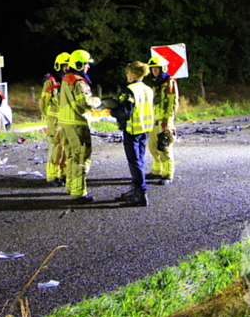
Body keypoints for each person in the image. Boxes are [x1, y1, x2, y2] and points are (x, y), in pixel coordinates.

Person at [58, 49, 102, 203]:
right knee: (81, 157)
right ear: (78, 64)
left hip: (66, 123)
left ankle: (70, 186)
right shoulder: (79, 81)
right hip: (77, 123)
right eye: (86, 64)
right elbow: (84, 103)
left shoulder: (66, 78)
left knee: (71, 156)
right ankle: (78, 193)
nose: (88, 67)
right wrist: (97, 101)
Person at [110, 61, 154, 207]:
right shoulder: (148, 89)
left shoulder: (128, 90)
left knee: (134, 161)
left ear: (133, 74)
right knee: (139, 160)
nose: (127, 76)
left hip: (132, 130)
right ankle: (135, 189)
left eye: (128, 73)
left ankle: (140, 193)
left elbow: (125, 112)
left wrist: (112, 110)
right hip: (145, 129)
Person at [144, 55, 179, 183]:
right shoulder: (150, 83)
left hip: (164, 121)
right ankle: (156, 171)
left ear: (162, 68)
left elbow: (173, 103)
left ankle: (167, 175)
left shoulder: (169, 82)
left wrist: (167, 120)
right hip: (152, 120)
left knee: (164, 148)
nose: (154, 71)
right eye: (152, 68)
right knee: (153, 147)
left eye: (157, 68)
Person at [39, 52, 70, 186]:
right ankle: (52, 176)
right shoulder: (51, 81)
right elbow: (43, 100)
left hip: (66, 118)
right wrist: (45, 115)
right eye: (65, 65)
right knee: (56, 147)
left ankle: (64, 173)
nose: (67, 67)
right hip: (54, 119)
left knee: (66, 147)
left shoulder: (69, 80)